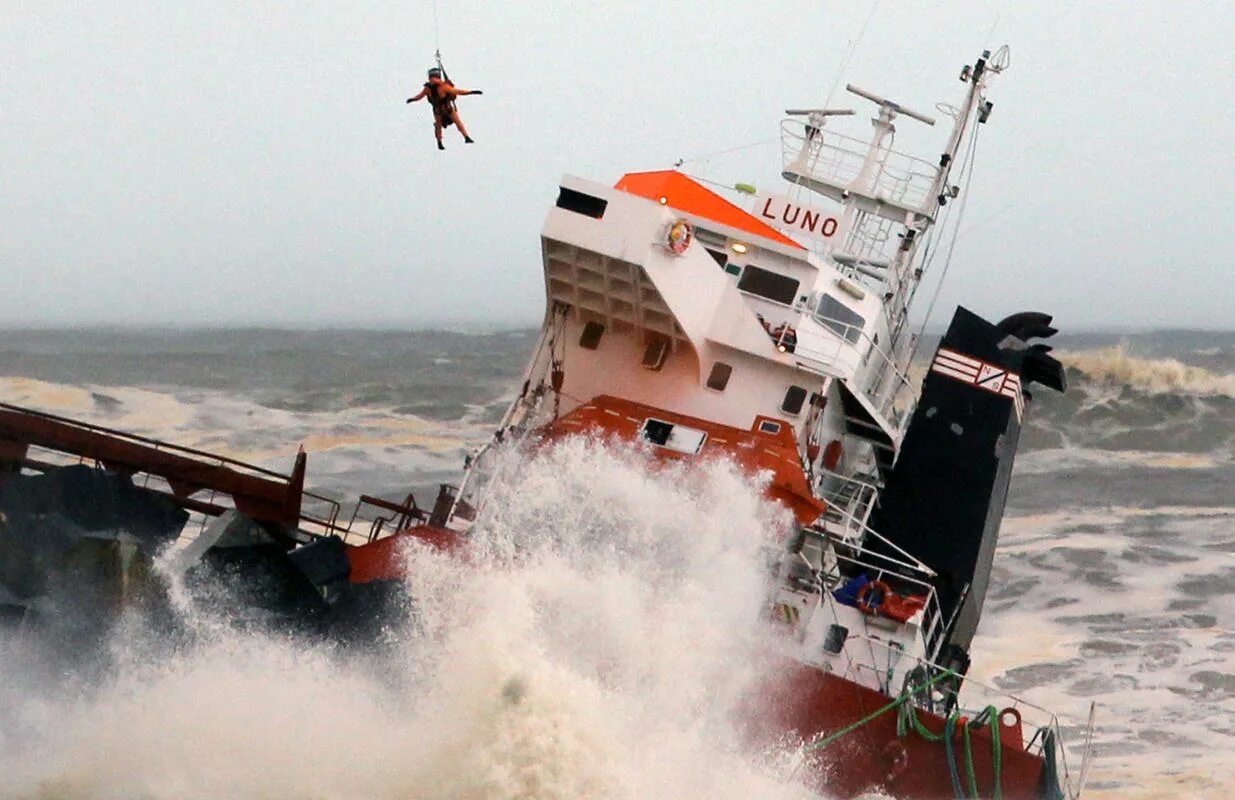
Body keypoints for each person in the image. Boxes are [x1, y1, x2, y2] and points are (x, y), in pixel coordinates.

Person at [406, 67, 483, 150]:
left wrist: (412, 99)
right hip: (447, 109)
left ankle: (440, 142)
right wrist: (472, 92)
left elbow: (419, 96)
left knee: (439, 125)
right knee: (457, 122)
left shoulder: (428, 88)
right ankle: (466, 137)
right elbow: (458, 92)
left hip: (438, 110)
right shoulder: (443, 87)